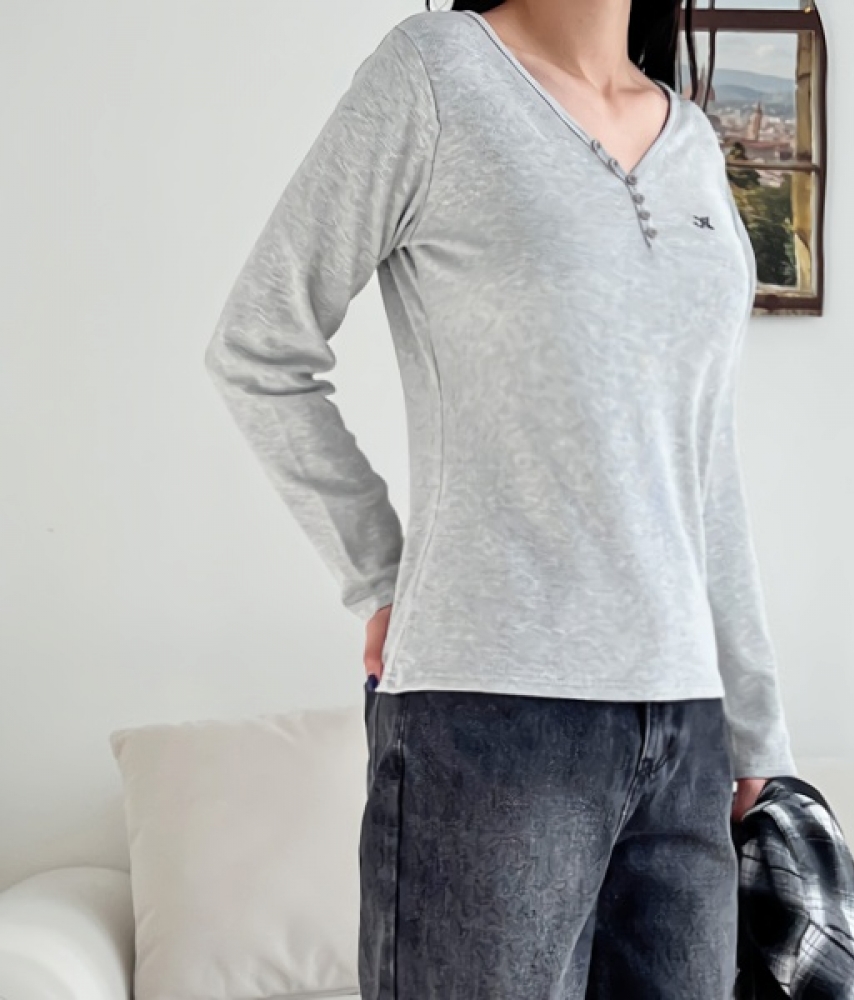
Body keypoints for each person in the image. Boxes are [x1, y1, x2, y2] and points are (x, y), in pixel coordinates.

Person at [203, 1, 798, 996]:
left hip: (688, 727)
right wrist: (380, 578)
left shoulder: (692, 141)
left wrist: (754, 718)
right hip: (491, 714)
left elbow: (704, 458)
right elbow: (259, 346)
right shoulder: (436, 74)